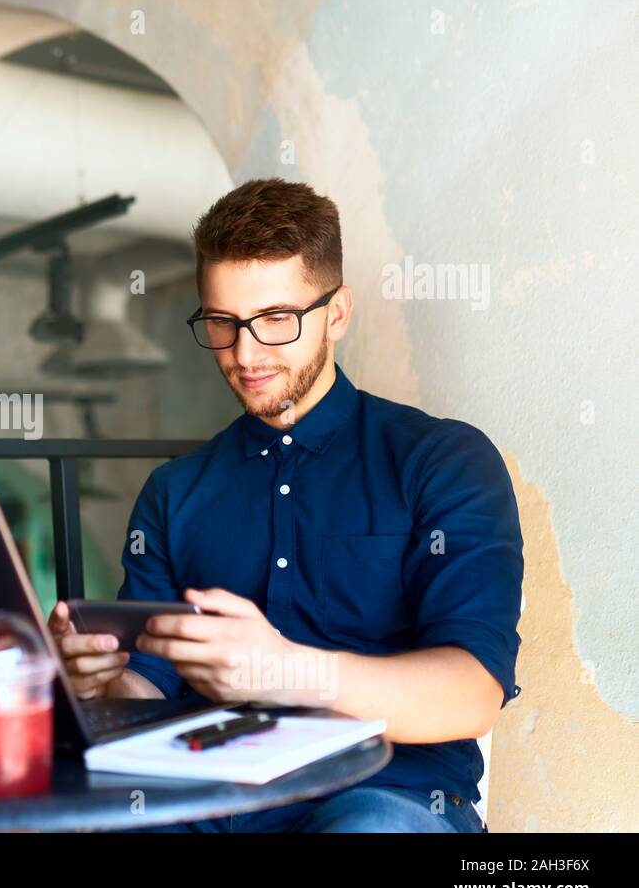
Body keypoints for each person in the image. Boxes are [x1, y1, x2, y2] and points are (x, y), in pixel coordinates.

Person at [48, 178, 522, 833]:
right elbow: (147, 691)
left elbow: (472, 693)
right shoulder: (174, 491)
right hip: (205, 801)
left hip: (385, 800)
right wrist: (103, 681)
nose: (245, 355)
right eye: (223, 323)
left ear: (337, 313)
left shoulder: (441, 461)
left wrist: (283, 670)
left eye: (275, 320)